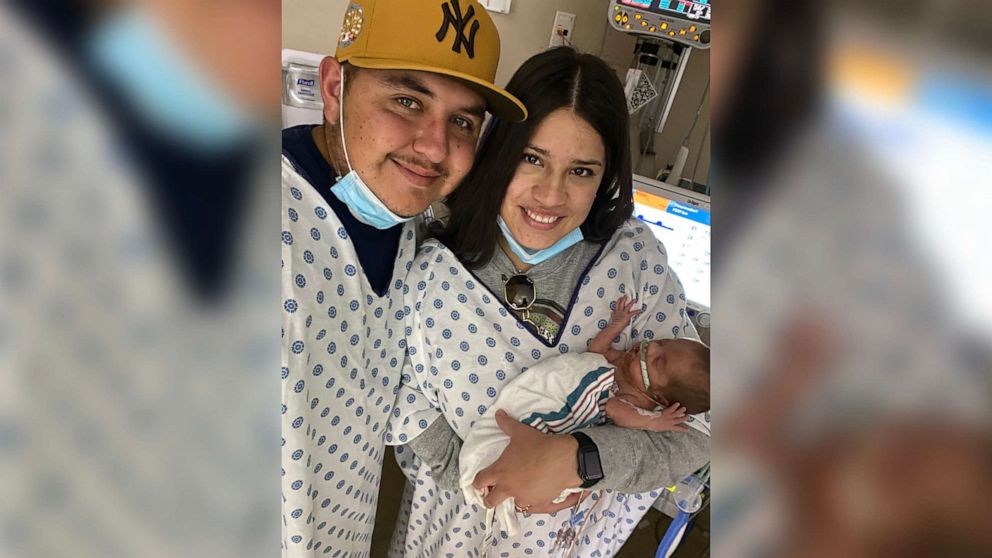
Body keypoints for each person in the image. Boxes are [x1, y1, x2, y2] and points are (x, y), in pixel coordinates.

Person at [385, 47, 709, 557]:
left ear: (605, 177)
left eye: (581, 171)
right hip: (447, 528)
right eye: (532, 159)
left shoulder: (633, 262)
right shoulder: (428, 258)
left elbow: (699, 427)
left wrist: (578, 459)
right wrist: (474, 481)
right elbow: (398, 391)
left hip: (565, 537)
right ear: (499, 152)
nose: (550, 196)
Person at [280, 0, 526, 555]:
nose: (435, 147)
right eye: (407, 100)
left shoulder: (409, 228)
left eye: (463, 121)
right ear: (334, 87)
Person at [459, 295, 711, 537]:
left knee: (570, 490)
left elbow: (616, 411)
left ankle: (546, 504)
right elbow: (596, 350)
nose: (651, 346)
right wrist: (617, 324)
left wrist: (655, 422)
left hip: (567, 431)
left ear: (662, 398)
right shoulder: (623, 362)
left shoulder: (637, 400)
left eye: (658, 361)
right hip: (558, 390)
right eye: (663, 342)